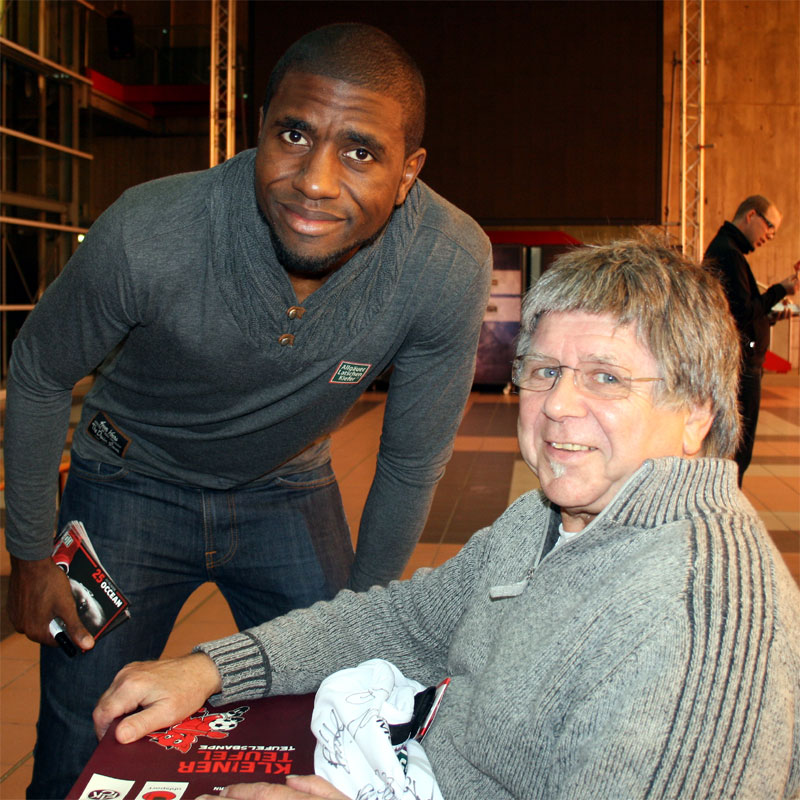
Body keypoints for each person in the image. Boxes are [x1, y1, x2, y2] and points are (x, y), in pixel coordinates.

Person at [94, 240, 800, 800]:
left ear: (697, 413)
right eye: (545, 370)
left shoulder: (700, 623)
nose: (556, 405)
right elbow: (411, 622)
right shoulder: (553, 519)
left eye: (606, 377)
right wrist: (214, 667)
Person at [3, 23, 492, 799]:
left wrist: (368, 620)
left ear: (409, 173)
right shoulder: (151, 230)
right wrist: (29, 556)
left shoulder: (445, 262)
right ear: (259, 128)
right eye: (293, 134)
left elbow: (408, 460)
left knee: (330, 711)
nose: (316, 182)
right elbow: (36, 370)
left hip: (287, 491)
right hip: (124, 481)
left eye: (361, 151)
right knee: (80, 729)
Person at [703, 194, 799, 485]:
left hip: (741, 362)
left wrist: (769, 316)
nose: (770, 235)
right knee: (736, 455)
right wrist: (780, 289)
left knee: (734, 453)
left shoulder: (728, 249)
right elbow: (743, 311)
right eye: (770, 226)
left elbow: (738, 312)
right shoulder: (728, 253)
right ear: (751, 215)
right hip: (741, 367)